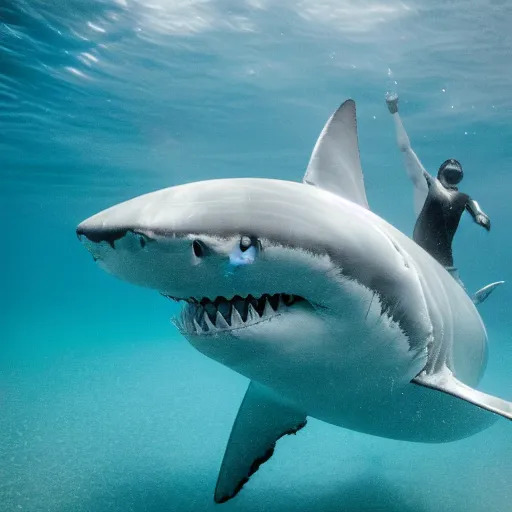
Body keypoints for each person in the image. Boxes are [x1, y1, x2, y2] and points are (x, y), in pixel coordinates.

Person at [385, 92, 503, 305]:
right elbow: (405, 149)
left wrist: (481, 216)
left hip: (446, 266)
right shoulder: (428, 186)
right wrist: (394, 113)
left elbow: (476, 210)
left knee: (460, 305)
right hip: (420, 260)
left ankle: (467, 303)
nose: (454, 166)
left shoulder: (463, 197)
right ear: (440, 172)